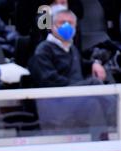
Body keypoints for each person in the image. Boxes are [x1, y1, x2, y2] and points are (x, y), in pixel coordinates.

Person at [28, 9, 116, 140]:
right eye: (62, 22)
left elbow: (82, 64)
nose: (67, 26)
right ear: (52, 26)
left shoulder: (72, 49)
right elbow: (49, 81)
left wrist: (94, 63)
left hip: (79, 103)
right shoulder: (43, 50)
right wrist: (79, 88)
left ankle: (102, 141)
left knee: (93, 103)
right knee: (94, 84)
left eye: (70, 23)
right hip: (56, 105)